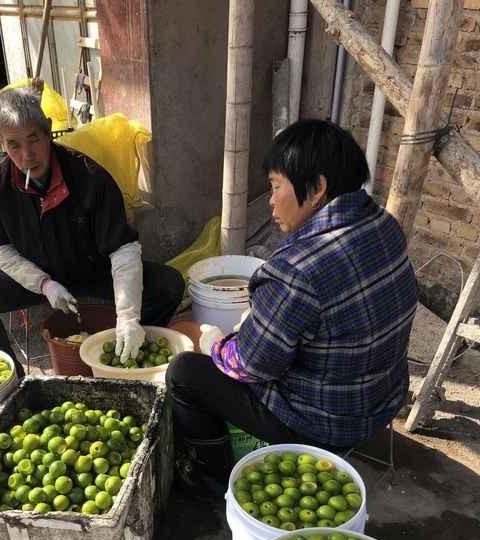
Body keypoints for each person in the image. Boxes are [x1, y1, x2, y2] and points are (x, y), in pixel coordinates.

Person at [166, 119, 418, 491]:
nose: (270, 200)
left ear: (316, 188)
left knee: (185, 372)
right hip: (382, 400)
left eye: (274, 186)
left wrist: (209, 339)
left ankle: (212, 478)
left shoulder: (296, 270)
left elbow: (249, 366)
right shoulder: (382, 224)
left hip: (323, 425)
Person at [0, 87, 185, 377]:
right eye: (14, 145)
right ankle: (13, 382)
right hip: (38, 278)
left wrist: (127, 316)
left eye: (33, 139)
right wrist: (43, 284)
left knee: (169, 284)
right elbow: (0, 248)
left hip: (93, 273)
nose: (27, 155)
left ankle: (130, 351)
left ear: (48, 130)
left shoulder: (90, 177)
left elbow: (123, 250)